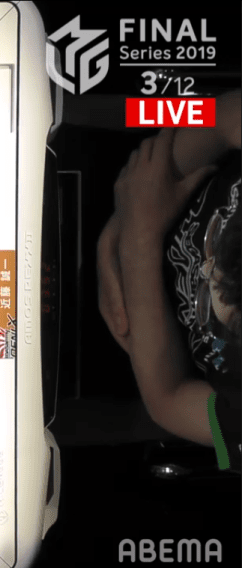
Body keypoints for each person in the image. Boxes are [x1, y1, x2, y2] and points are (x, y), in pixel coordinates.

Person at [97, 89, 240, 472]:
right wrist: (124, 220)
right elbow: (223, 116)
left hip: (120, 366)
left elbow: (167, 402)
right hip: (130, 160)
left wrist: (137, 241)